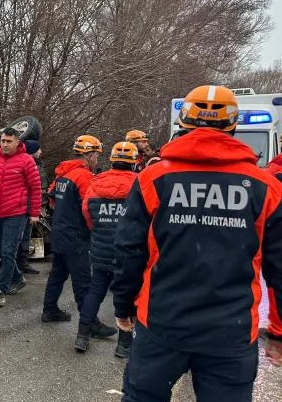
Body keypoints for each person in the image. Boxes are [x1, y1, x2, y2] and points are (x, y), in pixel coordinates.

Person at [112, 85, 282, 402]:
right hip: (230, 331)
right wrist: (279, 331)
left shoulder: (151, 179)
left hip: (162, 323)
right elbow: (279, 267)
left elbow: (128, 251)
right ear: (232, 125)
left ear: (185, 122)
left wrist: (123, 305)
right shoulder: (267, 187)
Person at [41, 135, 114, 336]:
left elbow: (51, 196)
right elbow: (89, 205)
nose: (97, 160)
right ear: (89, 155)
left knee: (57, 274)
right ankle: (90, 324)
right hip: (76, 236)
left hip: (59, 232)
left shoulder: (63, 173)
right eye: (96, 155)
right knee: (83, 281)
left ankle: (50, 310)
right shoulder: (83, 176)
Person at [74, 142, 138, 356]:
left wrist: (101, 231)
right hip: (129, 252)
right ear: (134, 162)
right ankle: (124, 344)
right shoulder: (140, 184)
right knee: (128, 296)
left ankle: (82, 336)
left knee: (95, 291)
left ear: (111, 160)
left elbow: (87, 216)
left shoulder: (95, 183)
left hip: (101, 247)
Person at [0, 127, 42, 307]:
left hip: (16, 213)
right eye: (3, 141)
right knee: (0, 250)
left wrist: (34, 213)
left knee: (8, 251)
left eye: (8, 141)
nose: (4, 144)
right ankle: (18, 277)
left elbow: (35, 188)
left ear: (17, 142)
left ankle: (1, 290)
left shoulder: (26, 161)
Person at [15, 139, 46, 275]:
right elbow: (33, 188)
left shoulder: (33, 163)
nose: (40, 151)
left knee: (24, 236)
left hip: (26, 206)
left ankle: (22, 264)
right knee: (20, 237)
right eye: (38, 149)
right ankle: (19, 265)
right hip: (23, 207)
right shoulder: (28, 164)